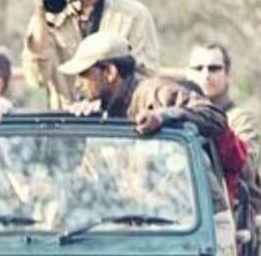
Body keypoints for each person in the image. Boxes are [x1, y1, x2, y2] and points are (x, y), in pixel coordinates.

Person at [60, 31, 248, 205]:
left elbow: (214, 117)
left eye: (84, 75)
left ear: (110, 72)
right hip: (145, 219)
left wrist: (163, 117)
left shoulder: (154, 93)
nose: (78, 84)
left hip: (199, 218)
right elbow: (90, 175)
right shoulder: (104, 110)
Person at [23, 0, 160, 109]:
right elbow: (37, 79)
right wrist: (40, 13)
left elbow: (145, 76)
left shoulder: (134, 15)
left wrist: (102, 103)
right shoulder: (46, 20)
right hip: (64, 123)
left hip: (118, 123)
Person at [187, 42, 261, 214]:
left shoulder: (240, 119)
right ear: (188, 73)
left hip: (230, 216)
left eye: (213, 68)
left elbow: (246, 168)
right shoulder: (178, 114)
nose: (206, 75)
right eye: (198, 68)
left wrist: (217, 128)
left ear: (228, 74)